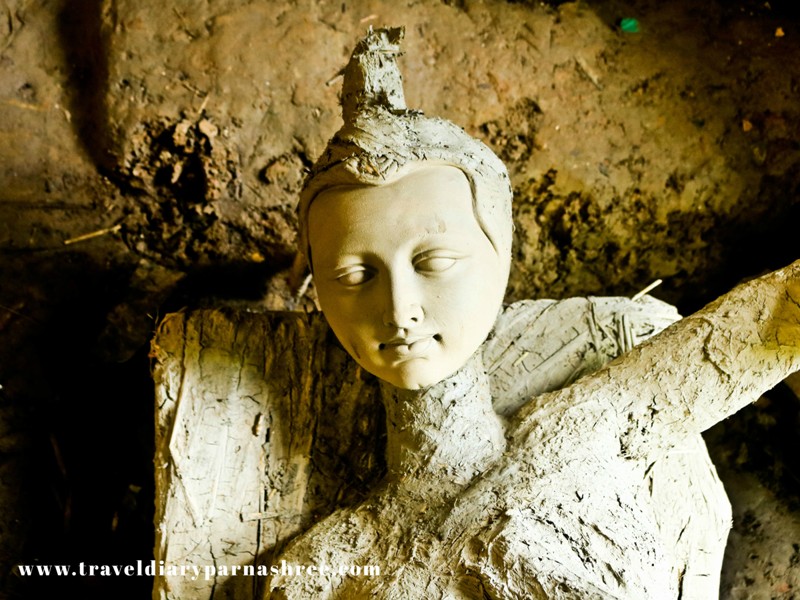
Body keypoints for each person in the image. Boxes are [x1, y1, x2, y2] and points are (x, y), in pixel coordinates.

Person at [266, 27, 800, 599]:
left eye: (435, 261)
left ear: (501, 259)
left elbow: (764, 323)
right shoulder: (322, 570)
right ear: (318, 288)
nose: (399, 310)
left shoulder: (586, 427)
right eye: (352, 276)